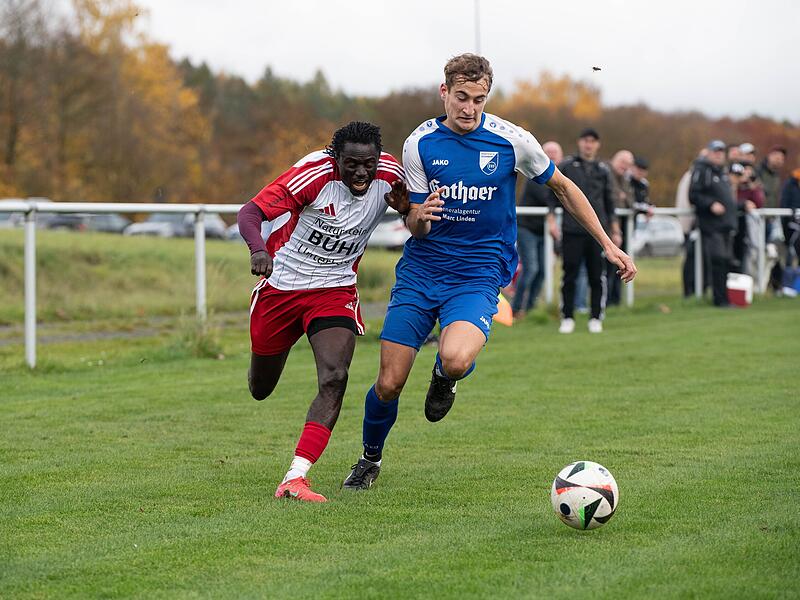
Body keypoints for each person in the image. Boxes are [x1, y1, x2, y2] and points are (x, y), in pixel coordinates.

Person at [341, 54, 636, 490]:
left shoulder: (512, 141)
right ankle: (370, 459)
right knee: (388, 382)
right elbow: (415, 225)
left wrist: (608, 245)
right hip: (423, 271)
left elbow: (564, 188)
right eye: (461, 97)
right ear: (445, 92)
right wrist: (421, 214)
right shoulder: (419, 142)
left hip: (479, 273)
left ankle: (445, 378)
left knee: (456, 359)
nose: (469, 108)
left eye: (478, 99)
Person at [237, 121, 409, 502]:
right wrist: (257, 249)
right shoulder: (313, 174)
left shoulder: (393, 174)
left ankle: (296, 476)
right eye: (352, 164)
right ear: (336, 160)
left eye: (369, 164)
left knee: (335, 375)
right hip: (281, 287)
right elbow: (250, 213)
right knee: (260, 388)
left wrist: (407, 208)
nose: (362, 173)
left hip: (335, 289)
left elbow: (416, 212)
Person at [558, 128, 622, 333]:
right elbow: (555, 195)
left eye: (593, 141)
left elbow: (610, 201)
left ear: (597, 144)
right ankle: (567, 316)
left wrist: (614, 230)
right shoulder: (567, 165)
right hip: (571, 229)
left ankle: (596, 317)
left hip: (597, 232)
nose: (589, 145)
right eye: (586, 140)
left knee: (597, 275)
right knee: (570, 274)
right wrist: (551, 220)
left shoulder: (604, 169)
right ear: (580, 142)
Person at [512, 140, 562, 318]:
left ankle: (530, 309)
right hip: (527, 228)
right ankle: (516, 309)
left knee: (543, 271)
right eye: (548, 152)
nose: (552, 155)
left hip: (544, 232)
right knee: (531, 268)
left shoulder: (560, 176)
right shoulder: (534, 174)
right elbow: (549, 196)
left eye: (555, 152)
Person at [689, 139, 738, 307]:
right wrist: (710, 204)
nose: (718, 154)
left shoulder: (721, 172)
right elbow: (694, 195)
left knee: (725, 261)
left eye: (721, 151)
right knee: (718, 260)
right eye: (715, 151)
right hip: (712, 225)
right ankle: (719, 299)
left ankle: (724, 298)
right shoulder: (702, 170)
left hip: (725, 226)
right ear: (708, 152)